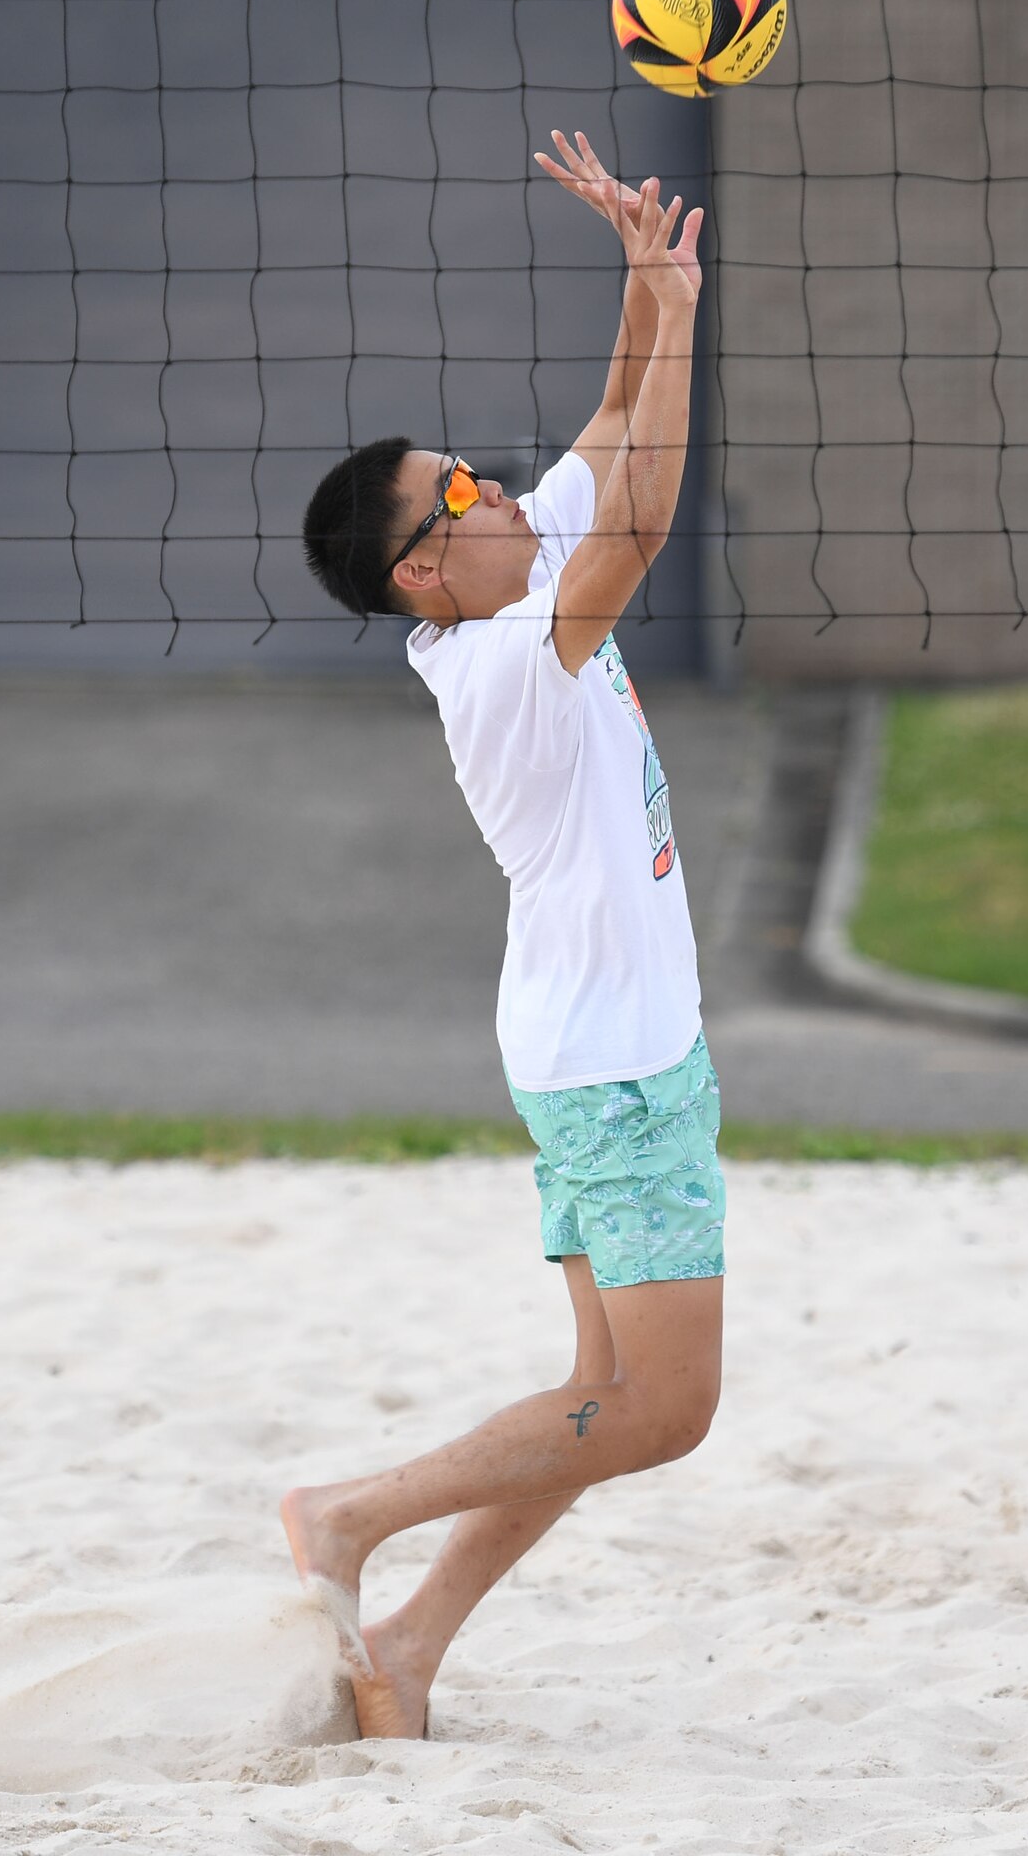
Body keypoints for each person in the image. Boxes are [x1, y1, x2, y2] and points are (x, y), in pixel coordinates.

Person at [288, 133, 721, 1739]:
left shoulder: (509, 570)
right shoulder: (502, 654)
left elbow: (614, 431)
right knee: (655, 1413)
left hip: (599, 1044)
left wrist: (643, 289)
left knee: (593, 1409)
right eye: (459, 492)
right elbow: (652, 509)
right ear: (421, 568)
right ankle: (347, 1515)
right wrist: (678, 311)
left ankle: (404, 1648)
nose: (491, 483)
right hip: (612, 1065)